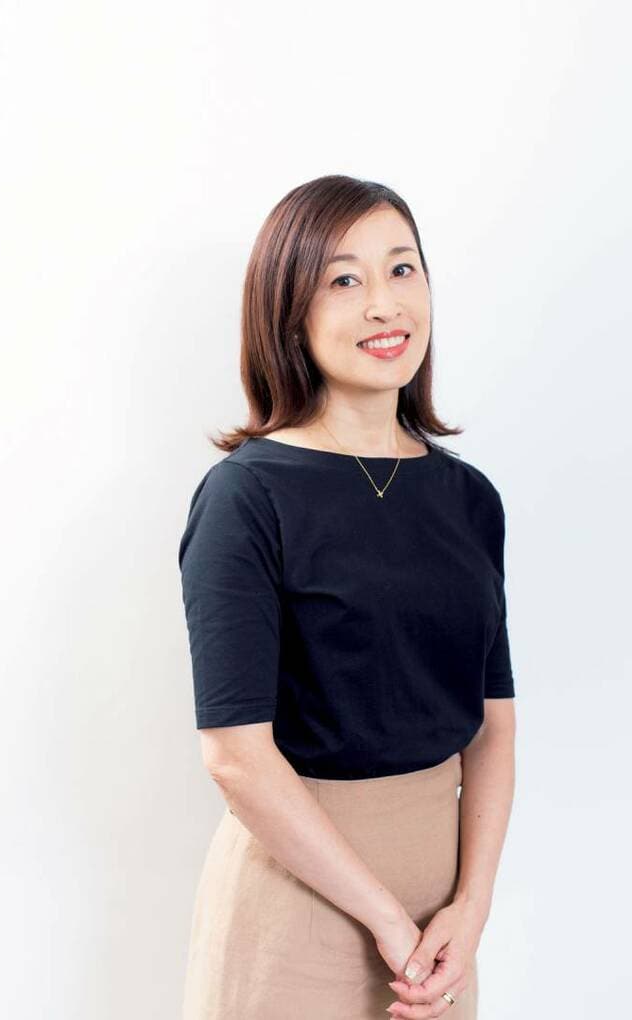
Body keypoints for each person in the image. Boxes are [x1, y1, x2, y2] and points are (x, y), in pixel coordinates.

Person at [177, 174, 517, 1019]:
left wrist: (471, 909)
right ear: (288, 310)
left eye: (402, 269)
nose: (383, 304)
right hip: (297, 906)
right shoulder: (248, 496)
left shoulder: (469, 498)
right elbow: (236, 757)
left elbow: (493, 724)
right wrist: (386, 922)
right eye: (343, 279)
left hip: (443, 922)